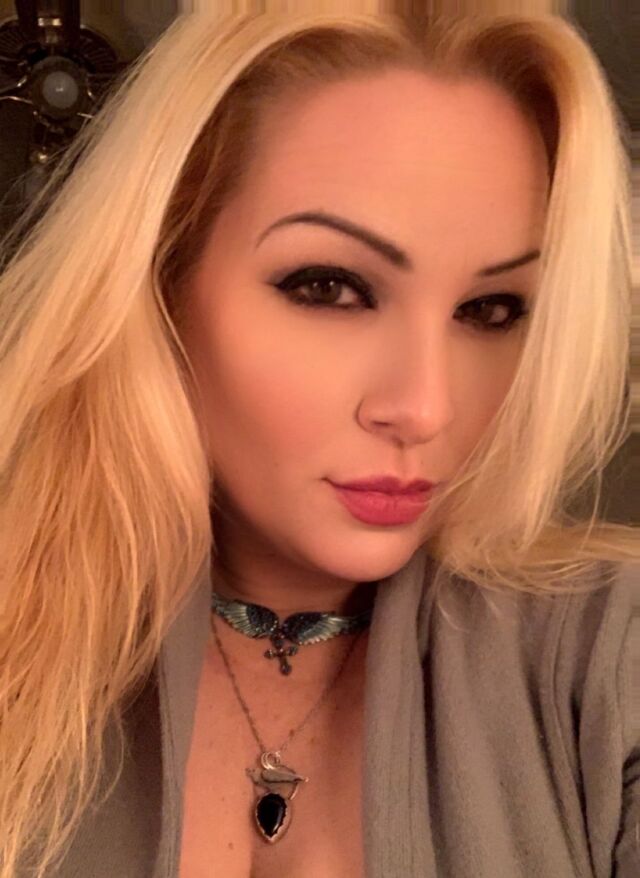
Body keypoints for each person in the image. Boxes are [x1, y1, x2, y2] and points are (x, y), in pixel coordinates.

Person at [0, 4, 638, 877]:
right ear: (161, 280)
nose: (424, 408)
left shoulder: (605, 657)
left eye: (490, 310)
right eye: (330, 289)